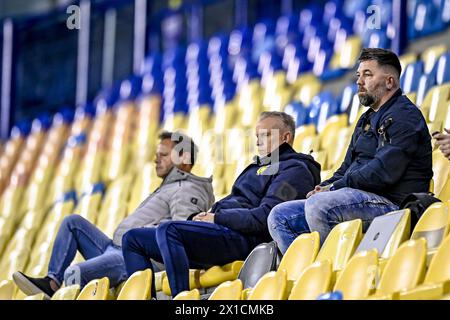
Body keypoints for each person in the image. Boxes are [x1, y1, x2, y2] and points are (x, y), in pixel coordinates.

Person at [121, 111, 321, 297]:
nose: (259, 142)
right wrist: (201, 217)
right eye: (257, 136)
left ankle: (182, 301)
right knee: (133, 238)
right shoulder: (258, 167)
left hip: (244, 238)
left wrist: (217, 218)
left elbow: (265, 217)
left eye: (266, 135)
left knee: (169, 229)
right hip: (221, 230)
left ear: (285, 138)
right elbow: (233, 200)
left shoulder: (296, 170)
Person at [268, 48, 433, 253]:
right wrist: (325, 186)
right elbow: (346, 167)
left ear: (390, 82)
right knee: (280, 216)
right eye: (358, 75)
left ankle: (332, 272)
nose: (359, 81)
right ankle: (306, 275)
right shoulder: (366, 119)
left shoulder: (404, 116)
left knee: (319, 206)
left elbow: (383, 172)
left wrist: (335, 188)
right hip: (359, 197)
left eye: (367, 74)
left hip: (393, 204)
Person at [13, 131, 214, 298]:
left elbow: (183, 233)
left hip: (134, 258)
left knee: (74, 273)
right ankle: (52, 283)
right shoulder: (170, 186)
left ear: (184, 159)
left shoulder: (187, 189)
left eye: (164, 154)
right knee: (72, 223)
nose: (156, 159)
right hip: (115, 248)